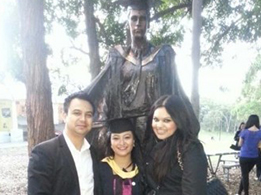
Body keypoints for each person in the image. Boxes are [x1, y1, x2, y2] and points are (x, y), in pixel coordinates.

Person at [85, 0, 199, 142]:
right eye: (134, 18)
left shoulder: (162, 55)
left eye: (142, 18)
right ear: (128, 23)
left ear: (148, 23)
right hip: (125, 127)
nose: (138, 23)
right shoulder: (117, 56)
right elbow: (105, 91)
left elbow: (174, 89)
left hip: (153, 126)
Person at [233, 115, 261, 195]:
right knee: (245, 174)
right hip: (254, 157)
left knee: (245, 175)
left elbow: (240, 144)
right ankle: (238, 193)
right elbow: (260, 145)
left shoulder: (244, 132)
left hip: (244, 156)